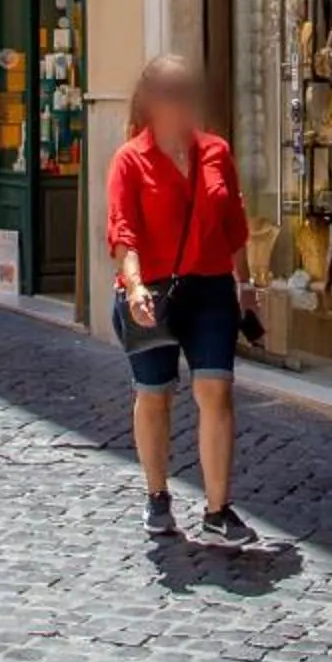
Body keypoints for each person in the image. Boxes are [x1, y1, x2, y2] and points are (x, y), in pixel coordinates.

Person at [107, 53, 260, 546]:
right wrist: (133, 287)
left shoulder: (216, 152)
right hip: (150, 291)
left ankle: (218, 510)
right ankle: (157, 495)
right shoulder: (130, 158)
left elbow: (235, 226)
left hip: (211, 286)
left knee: (216, 390)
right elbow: (122, 231)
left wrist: (248, 286)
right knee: (154, 395)